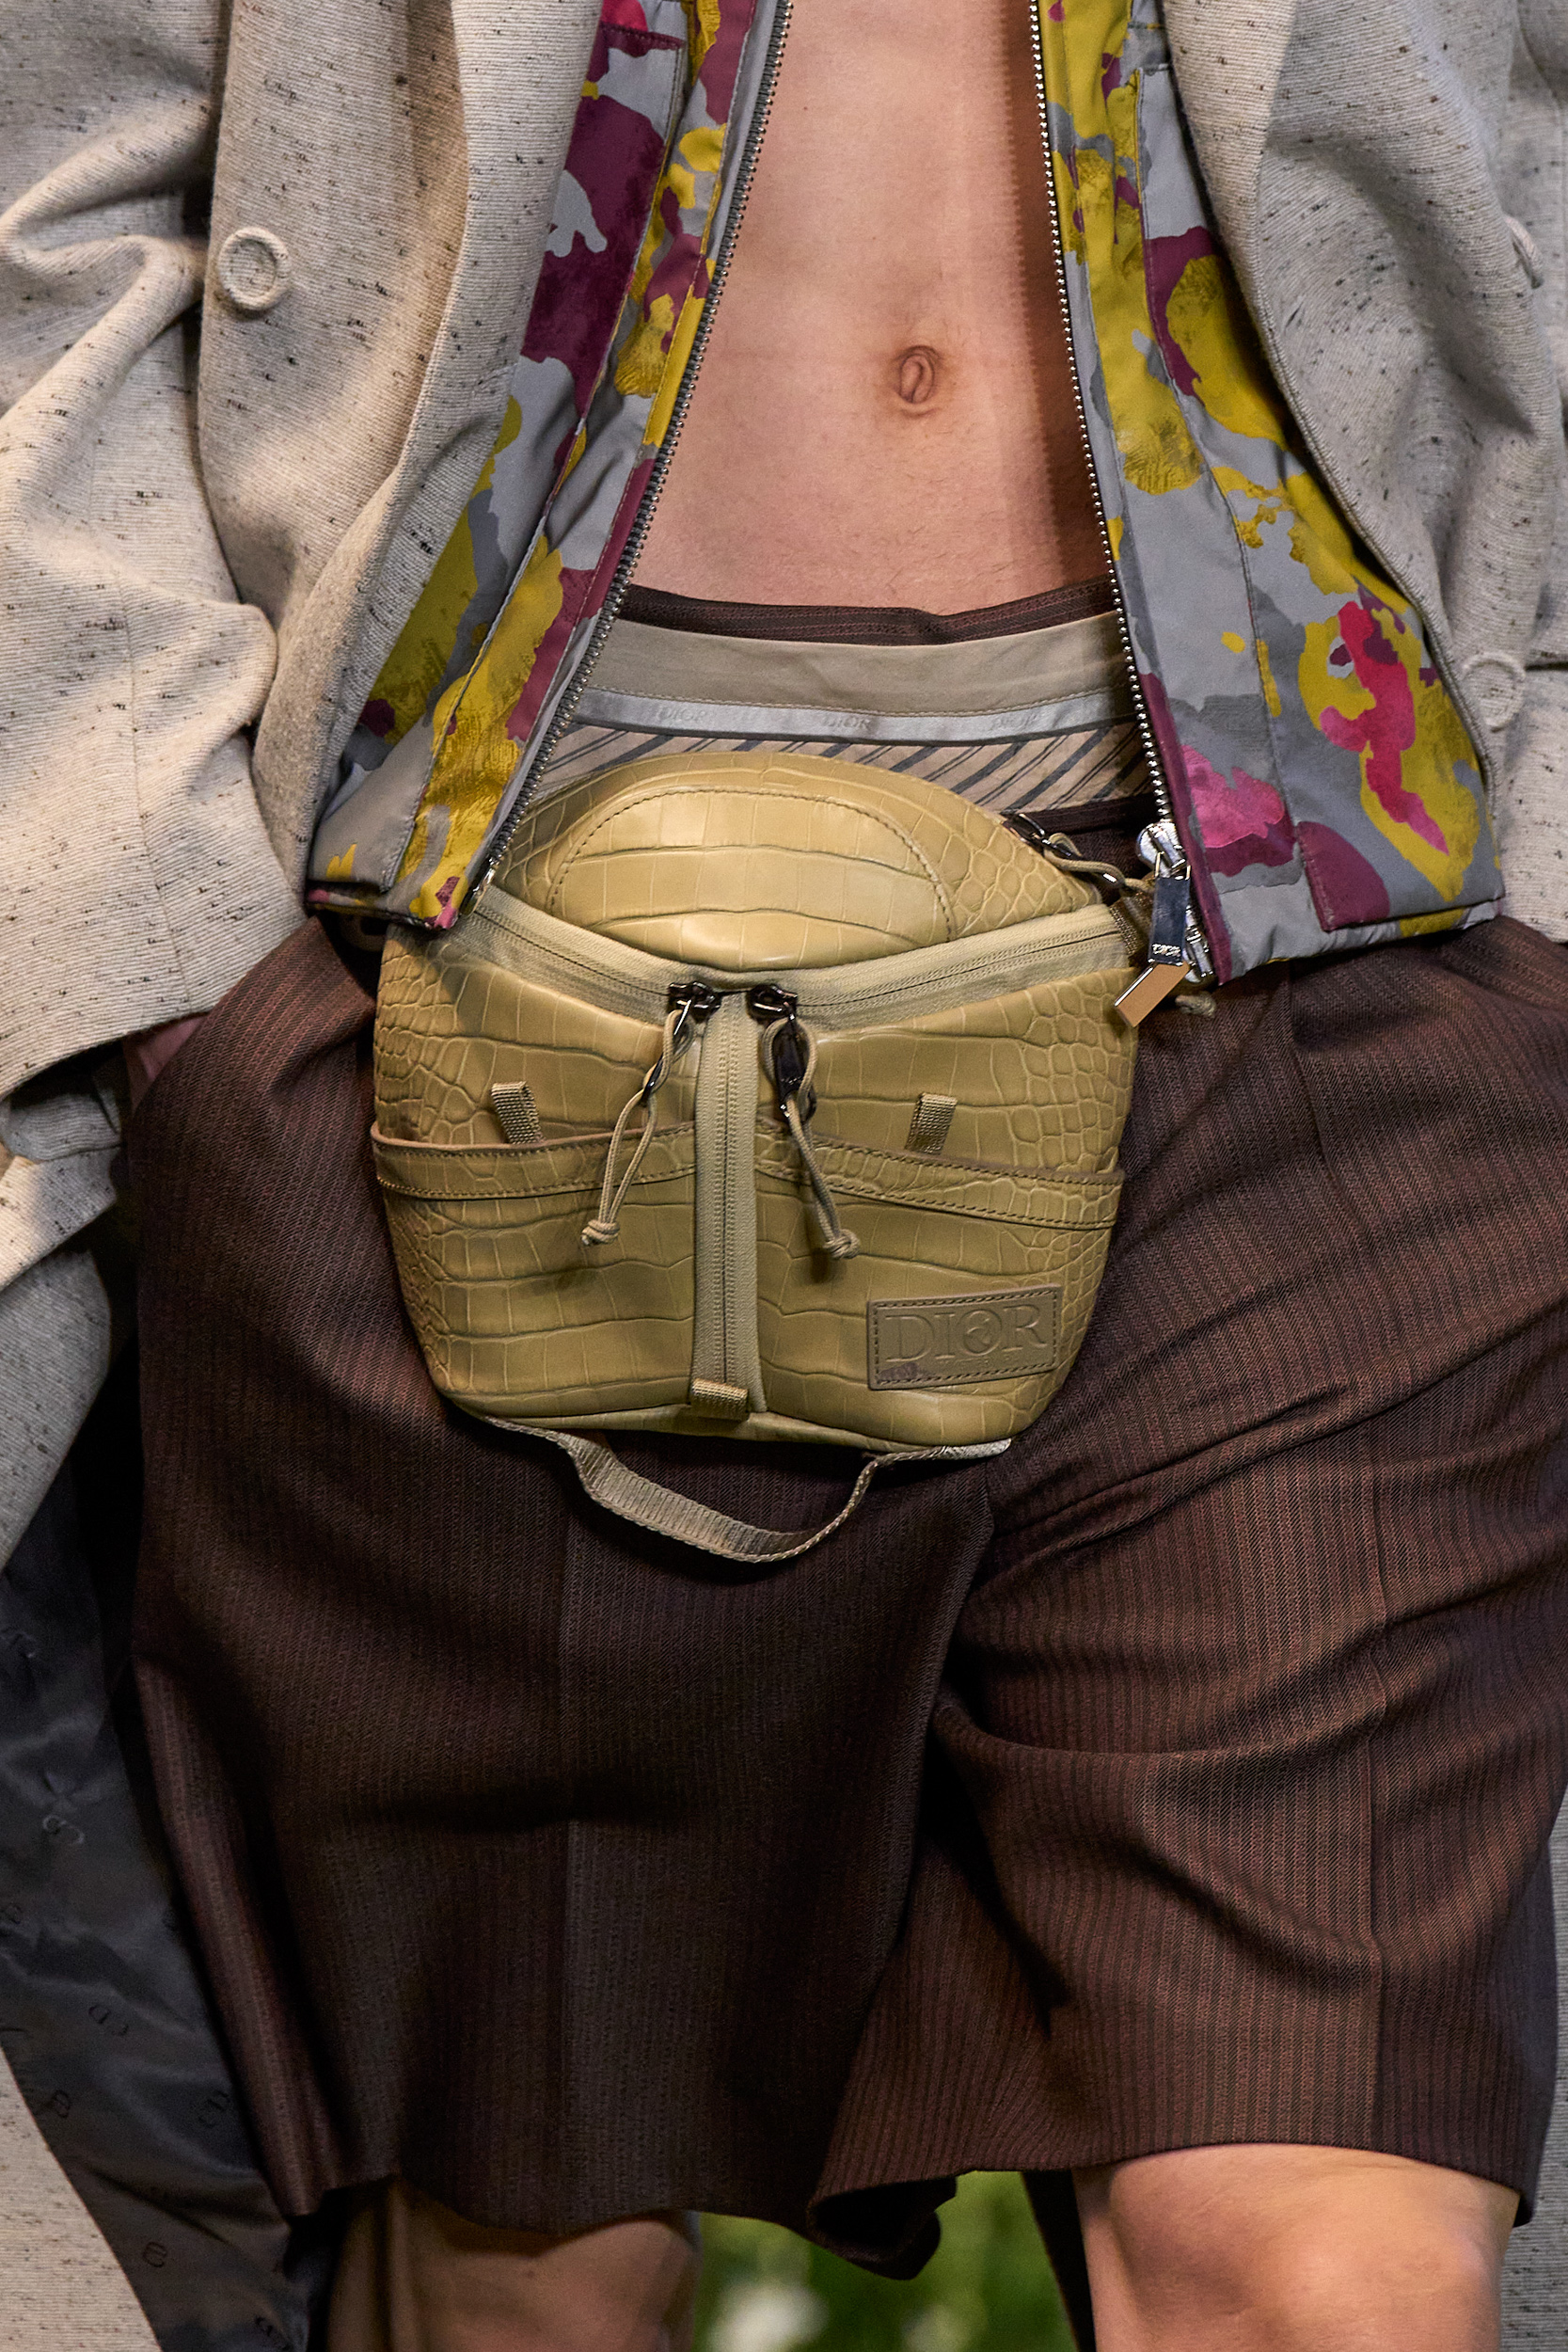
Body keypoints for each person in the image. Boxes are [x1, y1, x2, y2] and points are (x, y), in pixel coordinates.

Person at [2, 1, 1566, 2347]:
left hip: (1302, 950)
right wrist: (186, 975)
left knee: (1330, 2270)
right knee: (535, 2274)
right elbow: (53, 173)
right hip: (482, 1005)